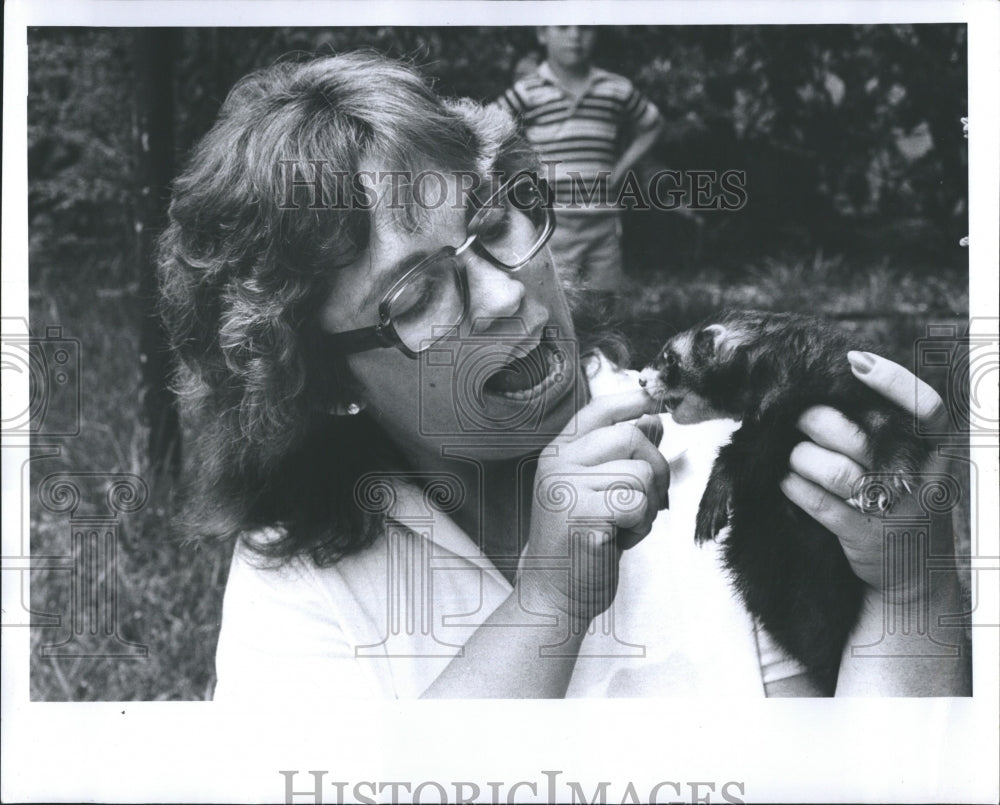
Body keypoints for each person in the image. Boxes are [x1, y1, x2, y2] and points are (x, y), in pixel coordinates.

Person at [157, 53, 969, 700]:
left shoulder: (744, 459)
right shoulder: (298, 577)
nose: (508, 293)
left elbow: (863, 779)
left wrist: (912, 592)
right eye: (416, 292)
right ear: (321, 376)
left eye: (495, 221)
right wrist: (547, 607)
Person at [495, 26, 664, 306]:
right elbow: (489, 127)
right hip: (555, 225)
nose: (575, 35)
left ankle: (603, 350)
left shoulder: (615, 88)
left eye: (584, 27)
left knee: (606, 304)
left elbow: (652, 123)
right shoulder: (528, 91)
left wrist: (621, 169)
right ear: (542, 34)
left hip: (603, 222)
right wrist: (520, 177)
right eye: (563, 27)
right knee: (558, 302)